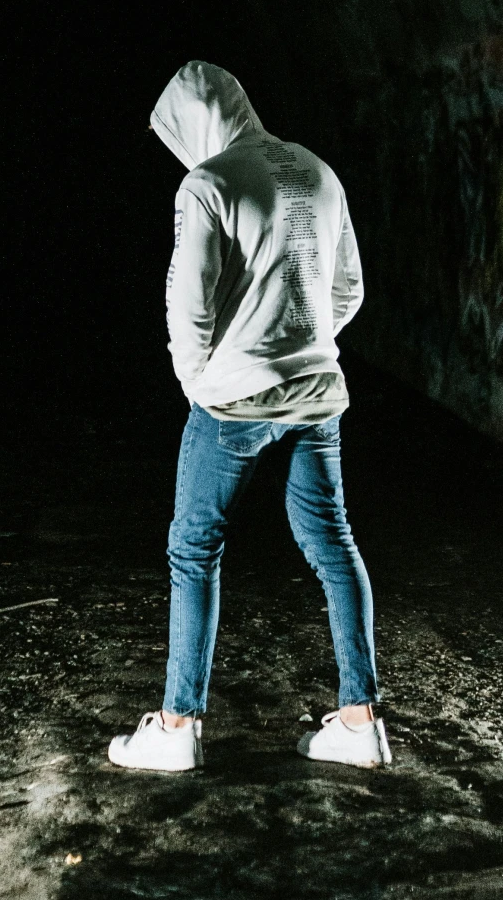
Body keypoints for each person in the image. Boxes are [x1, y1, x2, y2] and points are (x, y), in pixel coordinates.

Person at [108, 61, 390, 773]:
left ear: (194, 121)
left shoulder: (206, 183)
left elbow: (190, 303)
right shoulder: (317, 171)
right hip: (317, 389)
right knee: (333, 545)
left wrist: (198, 379)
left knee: (194, 549)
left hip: (232, 397)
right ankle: (360, 723)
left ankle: (176, 726)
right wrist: (305, 341)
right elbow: (348, 285)